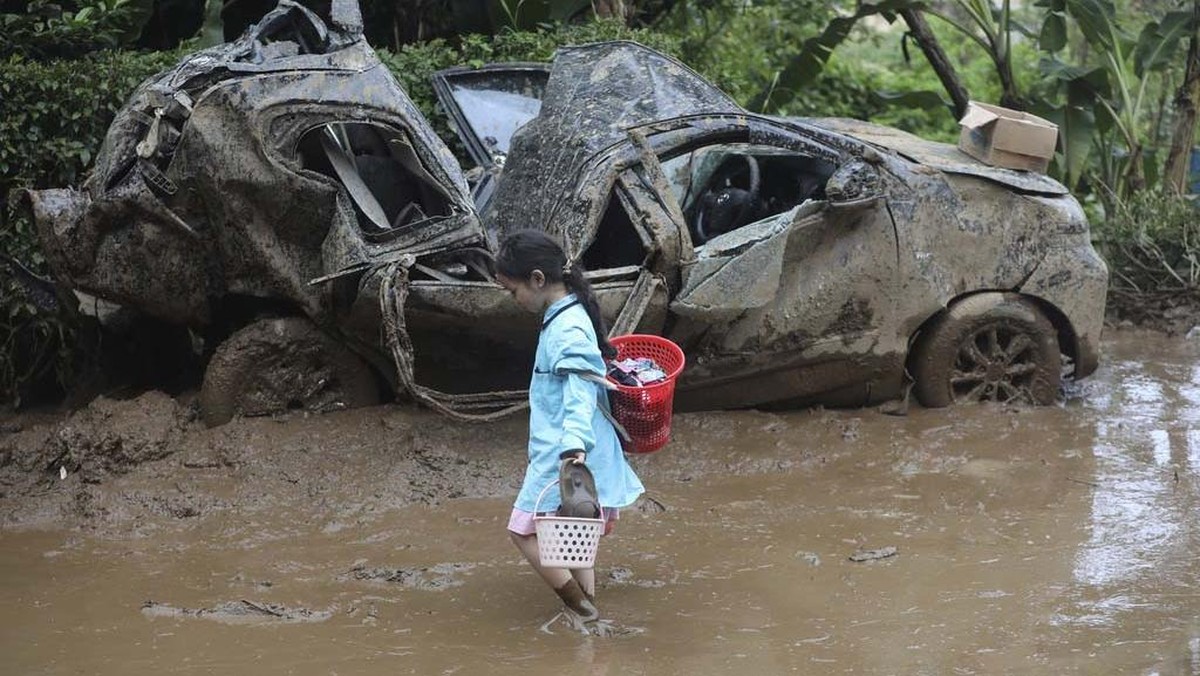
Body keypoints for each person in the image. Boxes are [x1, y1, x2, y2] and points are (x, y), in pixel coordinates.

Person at [494, 229, 645, 622]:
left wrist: (573, 445)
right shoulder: (568, 313)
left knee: (522, 530)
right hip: (577, 441)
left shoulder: (567, 328)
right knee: (574, 532)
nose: (514, 300)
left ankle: (580, 608)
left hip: (564, 445)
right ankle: (591, 606)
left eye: (513, 291)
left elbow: (580, 389)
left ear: (538, 280)